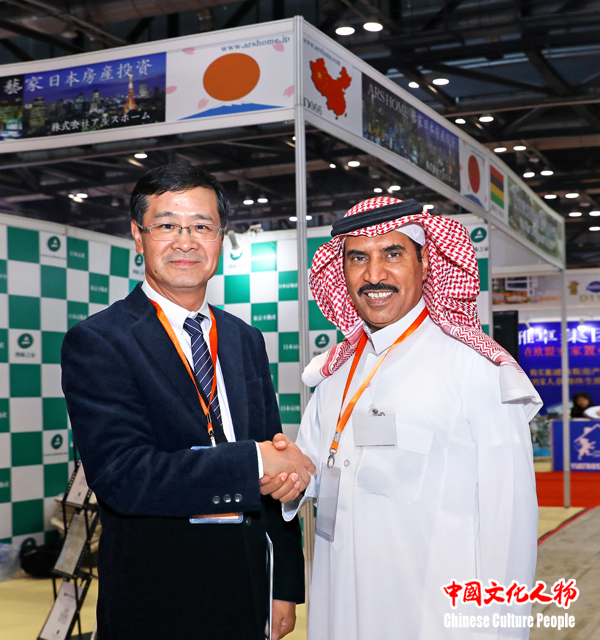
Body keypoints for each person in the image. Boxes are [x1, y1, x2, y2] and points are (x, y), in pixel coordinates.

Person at [263, 197, 542, 639]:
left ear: (425, 263)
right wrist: (284, 473)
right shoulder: (334, 376)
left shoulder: (475, 369)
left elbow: (509, 524)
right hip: (342, 608)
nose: (374, 275)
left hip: (435, 619)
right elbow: (313, 471)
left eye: (392, 254)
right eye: (358, 258)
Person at [61, 164, 316, 640]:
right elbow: (123, 476)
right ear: (138, 236)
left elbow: (273, 452)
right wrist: (254, 461)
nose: (185, 242)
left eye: (201, 226)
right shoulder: (100, 341)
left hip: (249, 587)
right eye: (167, 226)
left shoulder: (244, 339)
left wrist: (283, 583)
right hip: (157, 598)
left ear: (220, 238)